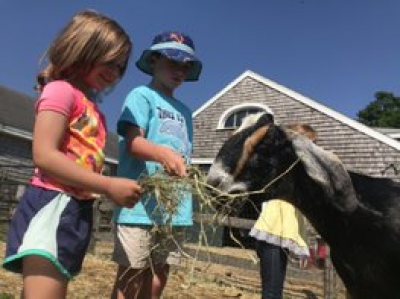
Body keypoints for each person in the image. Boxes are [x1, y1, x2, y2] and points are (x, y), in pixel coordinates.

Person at [2, 10, 142, 299]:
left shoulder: (90, 106)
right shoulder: (60, 92)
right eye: (110, 60)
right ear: (83, 48)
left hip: (74, 209)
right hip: (53, 204)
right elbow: (44, 155)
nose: (115, 72)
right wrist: (108, 186)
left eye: (121, 66)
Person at [111, 31, 202, 299]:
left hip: (174, 209)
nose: (180, 71)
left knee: (160, 275)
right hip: (140, 205)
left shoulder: (185, 112)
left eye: (186, 66)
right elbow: (134, 144)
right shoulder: (141, 96)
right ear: (153, 61)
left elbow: (185, 153)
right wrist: (163, 155)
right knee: (131, 275)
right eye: (173, 62)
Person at [249, 123, 317, 299]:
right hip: (273, 231)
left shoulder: (299, 170)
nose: (313, 148)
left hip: (282, 234)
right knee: (272, 292)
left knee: (274, 290)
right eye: (310, 143)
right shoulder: (281, 166)